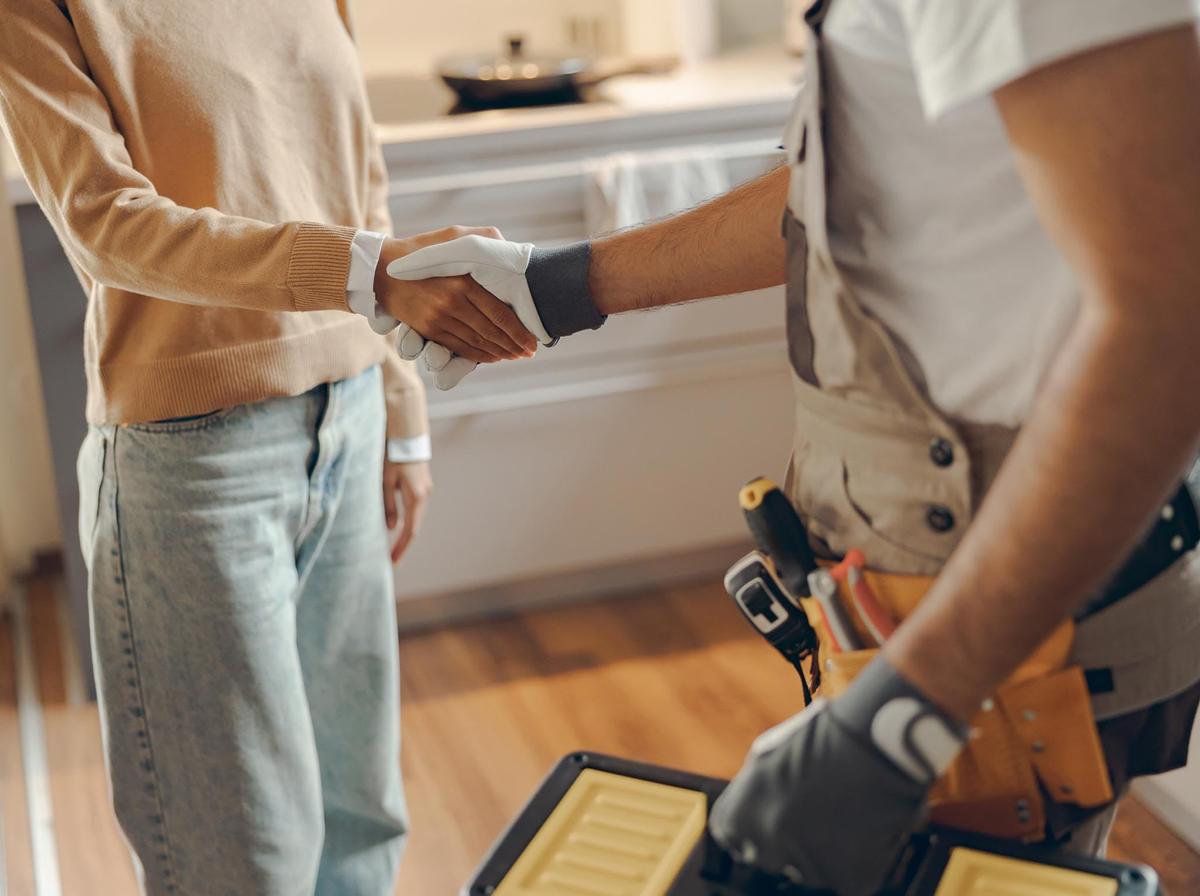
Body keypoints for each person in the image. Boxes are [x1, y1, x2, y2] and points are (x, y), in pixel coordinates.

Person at [386, 2, 1200, 893]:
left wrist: (907, 713)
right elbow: (861, 186)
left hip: (1004, 630)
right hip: (913, 600)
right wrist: (564, 286)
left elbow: (1171, 323)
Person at [0, 1, 536, 894]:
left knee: (360, 825)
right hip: (191, 467)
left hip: (351, 414)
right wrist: (364, 274)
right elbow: (106, 225)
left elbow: (357, 181)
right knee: (240, 858)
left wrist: (400, 410)